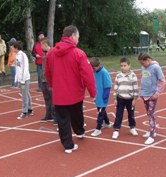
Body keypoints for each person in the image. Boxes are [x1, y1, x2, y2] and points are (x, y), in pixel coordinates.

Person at [45, 25, 96, 154]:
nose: (78, 39)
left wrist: (52, 86)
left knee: (63, 120)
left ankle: (68, 145)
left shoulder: (51, 53)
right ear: (73, 36)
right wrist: (93, 92)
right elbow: (87, 74)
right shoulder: (79, 53)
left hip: (59, 94)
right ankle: (79, 132)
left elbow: (48, 73)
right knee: (77, 114)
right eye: (78, 36)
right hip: (75, 93)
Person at [138, 52, 166, 145]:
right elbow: (143, 79)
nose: (142, 65)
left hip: (152, 95)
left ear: (148, 60)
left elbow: (162, 81)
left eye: (143, 63)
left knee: (151, 113)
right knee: (148, 113)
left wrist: (157, 93)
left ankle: (152, 135)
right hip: (144, 94)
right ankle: (152, 131)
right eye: (141, 63)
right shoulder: (143, 68)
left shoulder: (156, 67)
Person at [112, 57, 139, 139]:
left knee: (131, 114)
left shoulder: (133, 75)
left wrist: (135, 99)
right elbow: (116, 87)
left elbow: (135, 88)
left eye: (125, 65)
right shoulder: (118, 76)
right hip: (120, 98)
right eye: (121, 66)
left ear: (129, 65)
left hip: (130, 99)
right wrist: (115, 98)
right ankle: (116, 130)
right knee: (119, 114)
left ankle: (132, 127)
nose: (123, 67)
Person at [90, 57, 112, 137]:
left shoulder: (104, 72)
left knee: (100, 113)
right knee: (101, 110)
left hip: (103, 97)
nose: (93, 69)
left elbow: (108, 85)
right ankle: (107, 123)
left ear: (99, 65)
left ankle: (98, 129)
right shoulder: (95, 72)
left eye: (94, 68)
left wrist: (105, 97)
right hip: (97, 96)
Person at [13, 41, 33, 119]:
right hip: (20, 79)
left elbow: (25, 68)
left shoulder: (22, 55)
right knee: (26, 93)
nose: (12, 49)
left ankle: (24, 112)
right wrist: (16, 78)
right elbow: (17, 67)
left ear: (17, 48)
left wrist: (22, 79)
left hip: (24, 79)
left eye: (13, 47)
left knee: (24, 95)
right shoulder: (17, 55)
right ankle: (30, 108)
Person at [40, 37, 57, 124]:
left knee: (53, 99)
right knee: (47, 99)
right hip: (44, 80)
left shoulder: (52, 54)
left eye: (41, 45)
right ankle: (48, 115)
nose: (40, 47)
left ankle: (55, 117)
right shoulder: (45, 55)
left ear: (45, 45)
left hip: (50, 80)